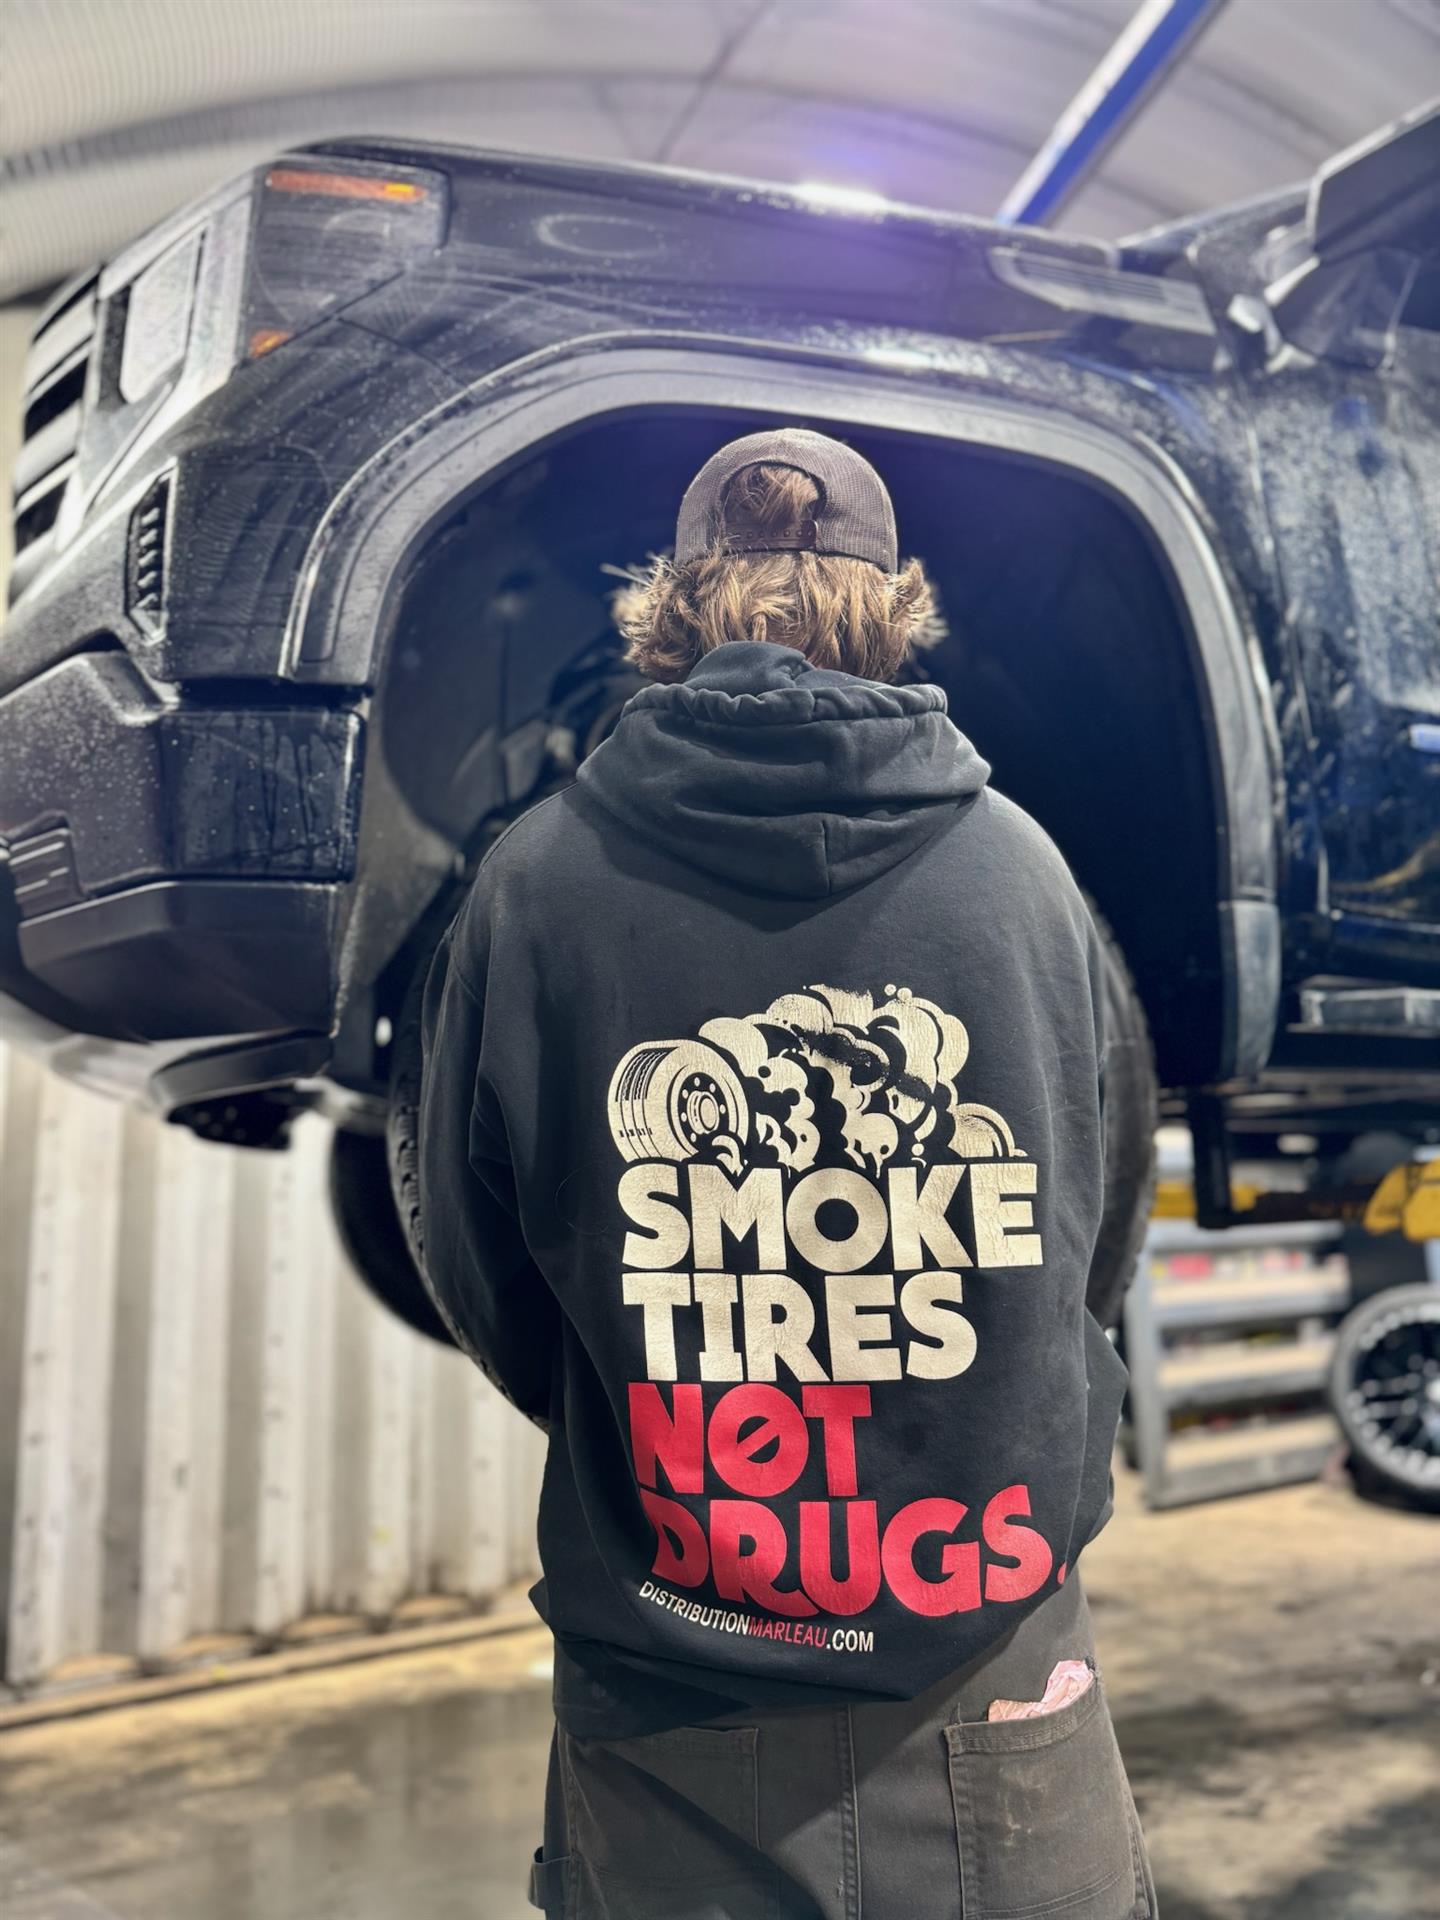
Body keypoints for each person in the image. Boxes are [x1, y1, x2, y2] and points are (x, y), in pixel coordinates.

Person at [416, 428, 1157, 1919]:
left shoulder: (537, 881)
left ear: (674, 607)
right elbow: (1103, 1219)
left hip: (671, 1695)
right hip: (994, 1674)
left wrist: (650, 1396)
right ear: (893, 608)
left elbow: (471, 1249)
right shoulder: (1027, 873)